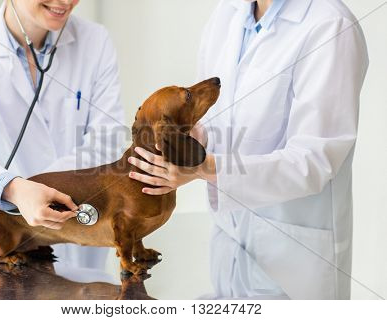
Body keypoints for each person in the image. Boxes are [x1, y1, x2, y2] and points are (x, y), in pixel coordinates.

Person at [128, 0, 369, 299]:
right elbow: (219, 118)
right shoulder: (226, 13)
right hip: (228, 243)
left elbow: (314, 162)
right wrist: (188, 142)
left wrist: (203, 168)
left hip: (294, 259)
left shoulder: (331, 26)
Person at [0, 0, 125, 295]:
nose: (66, 2)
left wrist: (37, 187)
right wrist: (10, 190)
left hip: (77, 213)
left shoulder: (95, 40)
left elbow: (108, 139)